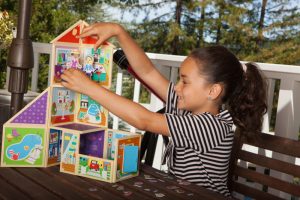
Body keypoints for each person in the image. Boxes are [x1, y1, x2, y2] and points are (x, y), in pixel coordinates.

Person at [61, 22, 268, 197]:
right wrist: (119, 31)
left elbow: (145, 120)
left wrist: (89, 88)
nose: (176, 87)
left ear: (213, 91)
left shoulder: (211, 126)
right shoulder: (186, 108)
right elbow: (147, 72)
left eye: (184, 82)